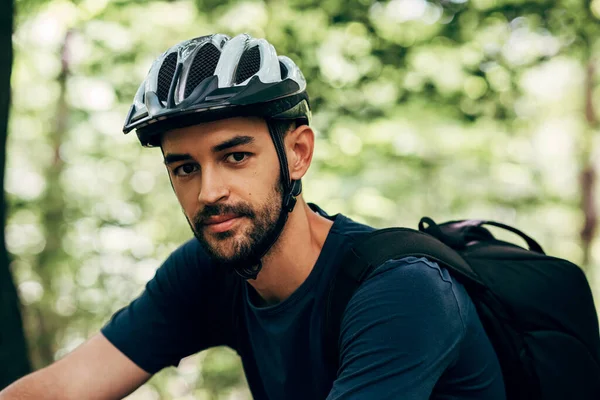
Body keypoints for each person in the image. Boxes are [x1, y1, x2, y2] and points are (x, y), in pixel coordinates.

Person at [0, 33, 506, 400]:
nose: (209, 191)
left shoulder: (402, 291)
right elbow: (64, 388)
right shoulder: (206, 270)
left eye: (235, 157)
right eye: (184, 168)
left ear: (299, 153)